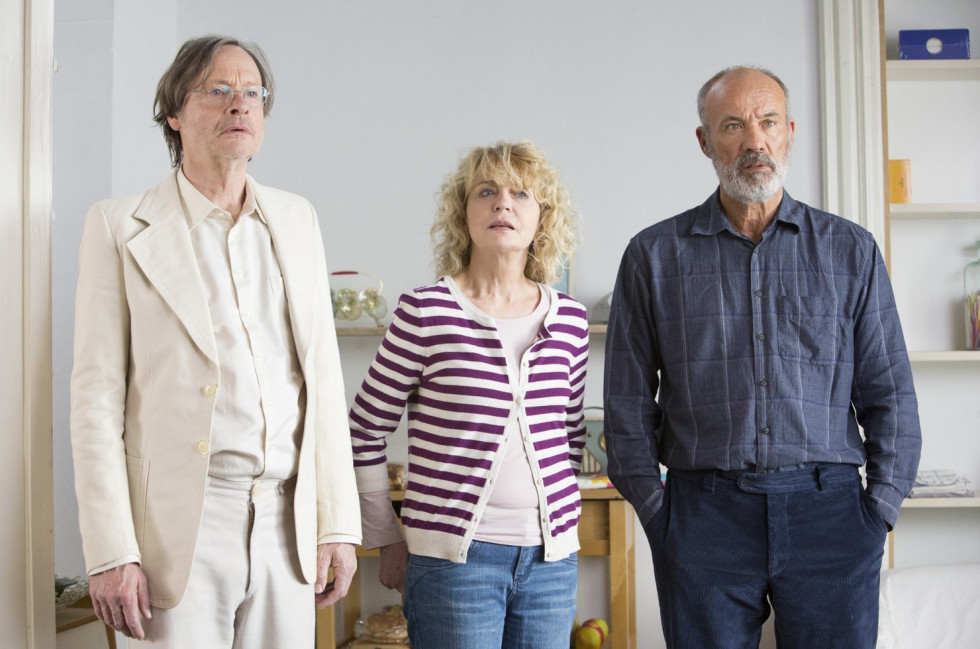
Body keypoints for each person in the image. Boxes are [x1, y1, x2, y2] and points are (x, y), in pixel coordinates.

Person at [604, 66, 922, 649]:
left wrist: (878, 509)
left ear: (789, 132)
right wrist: (657, 512)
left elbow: (890, 393)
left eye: (768, 122)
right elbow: (626, 403)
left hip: (832, 518)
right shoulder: (653, 257)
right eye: (733, 125)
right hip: (702, 520)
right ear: (705, 141)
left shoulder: (850, 251)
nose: (755, 141)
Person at [70, 35, 361, 647]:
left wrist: (336, 523)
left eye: (253, 92)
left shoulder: (297, 219)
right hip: (178, 528)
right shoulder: (118, 226)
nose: (240, 104)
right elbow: (95, 401)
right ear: (174, 113)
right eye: (218, 90)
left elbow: (322, 379)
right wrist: (111, 551)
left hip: (287, 521)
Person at [348, 140, 588, 649]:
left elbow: (569, 436)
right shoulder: (425, 311)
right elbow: (364, 430)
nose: (503, 203)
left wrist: (561, 530)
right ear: (463, 213)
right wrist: (385, 536)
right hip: (454, 567)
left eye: (521, 193)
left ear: (542, 216)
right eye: (486, 191)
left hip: (551, 565)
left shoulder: (570, 319)